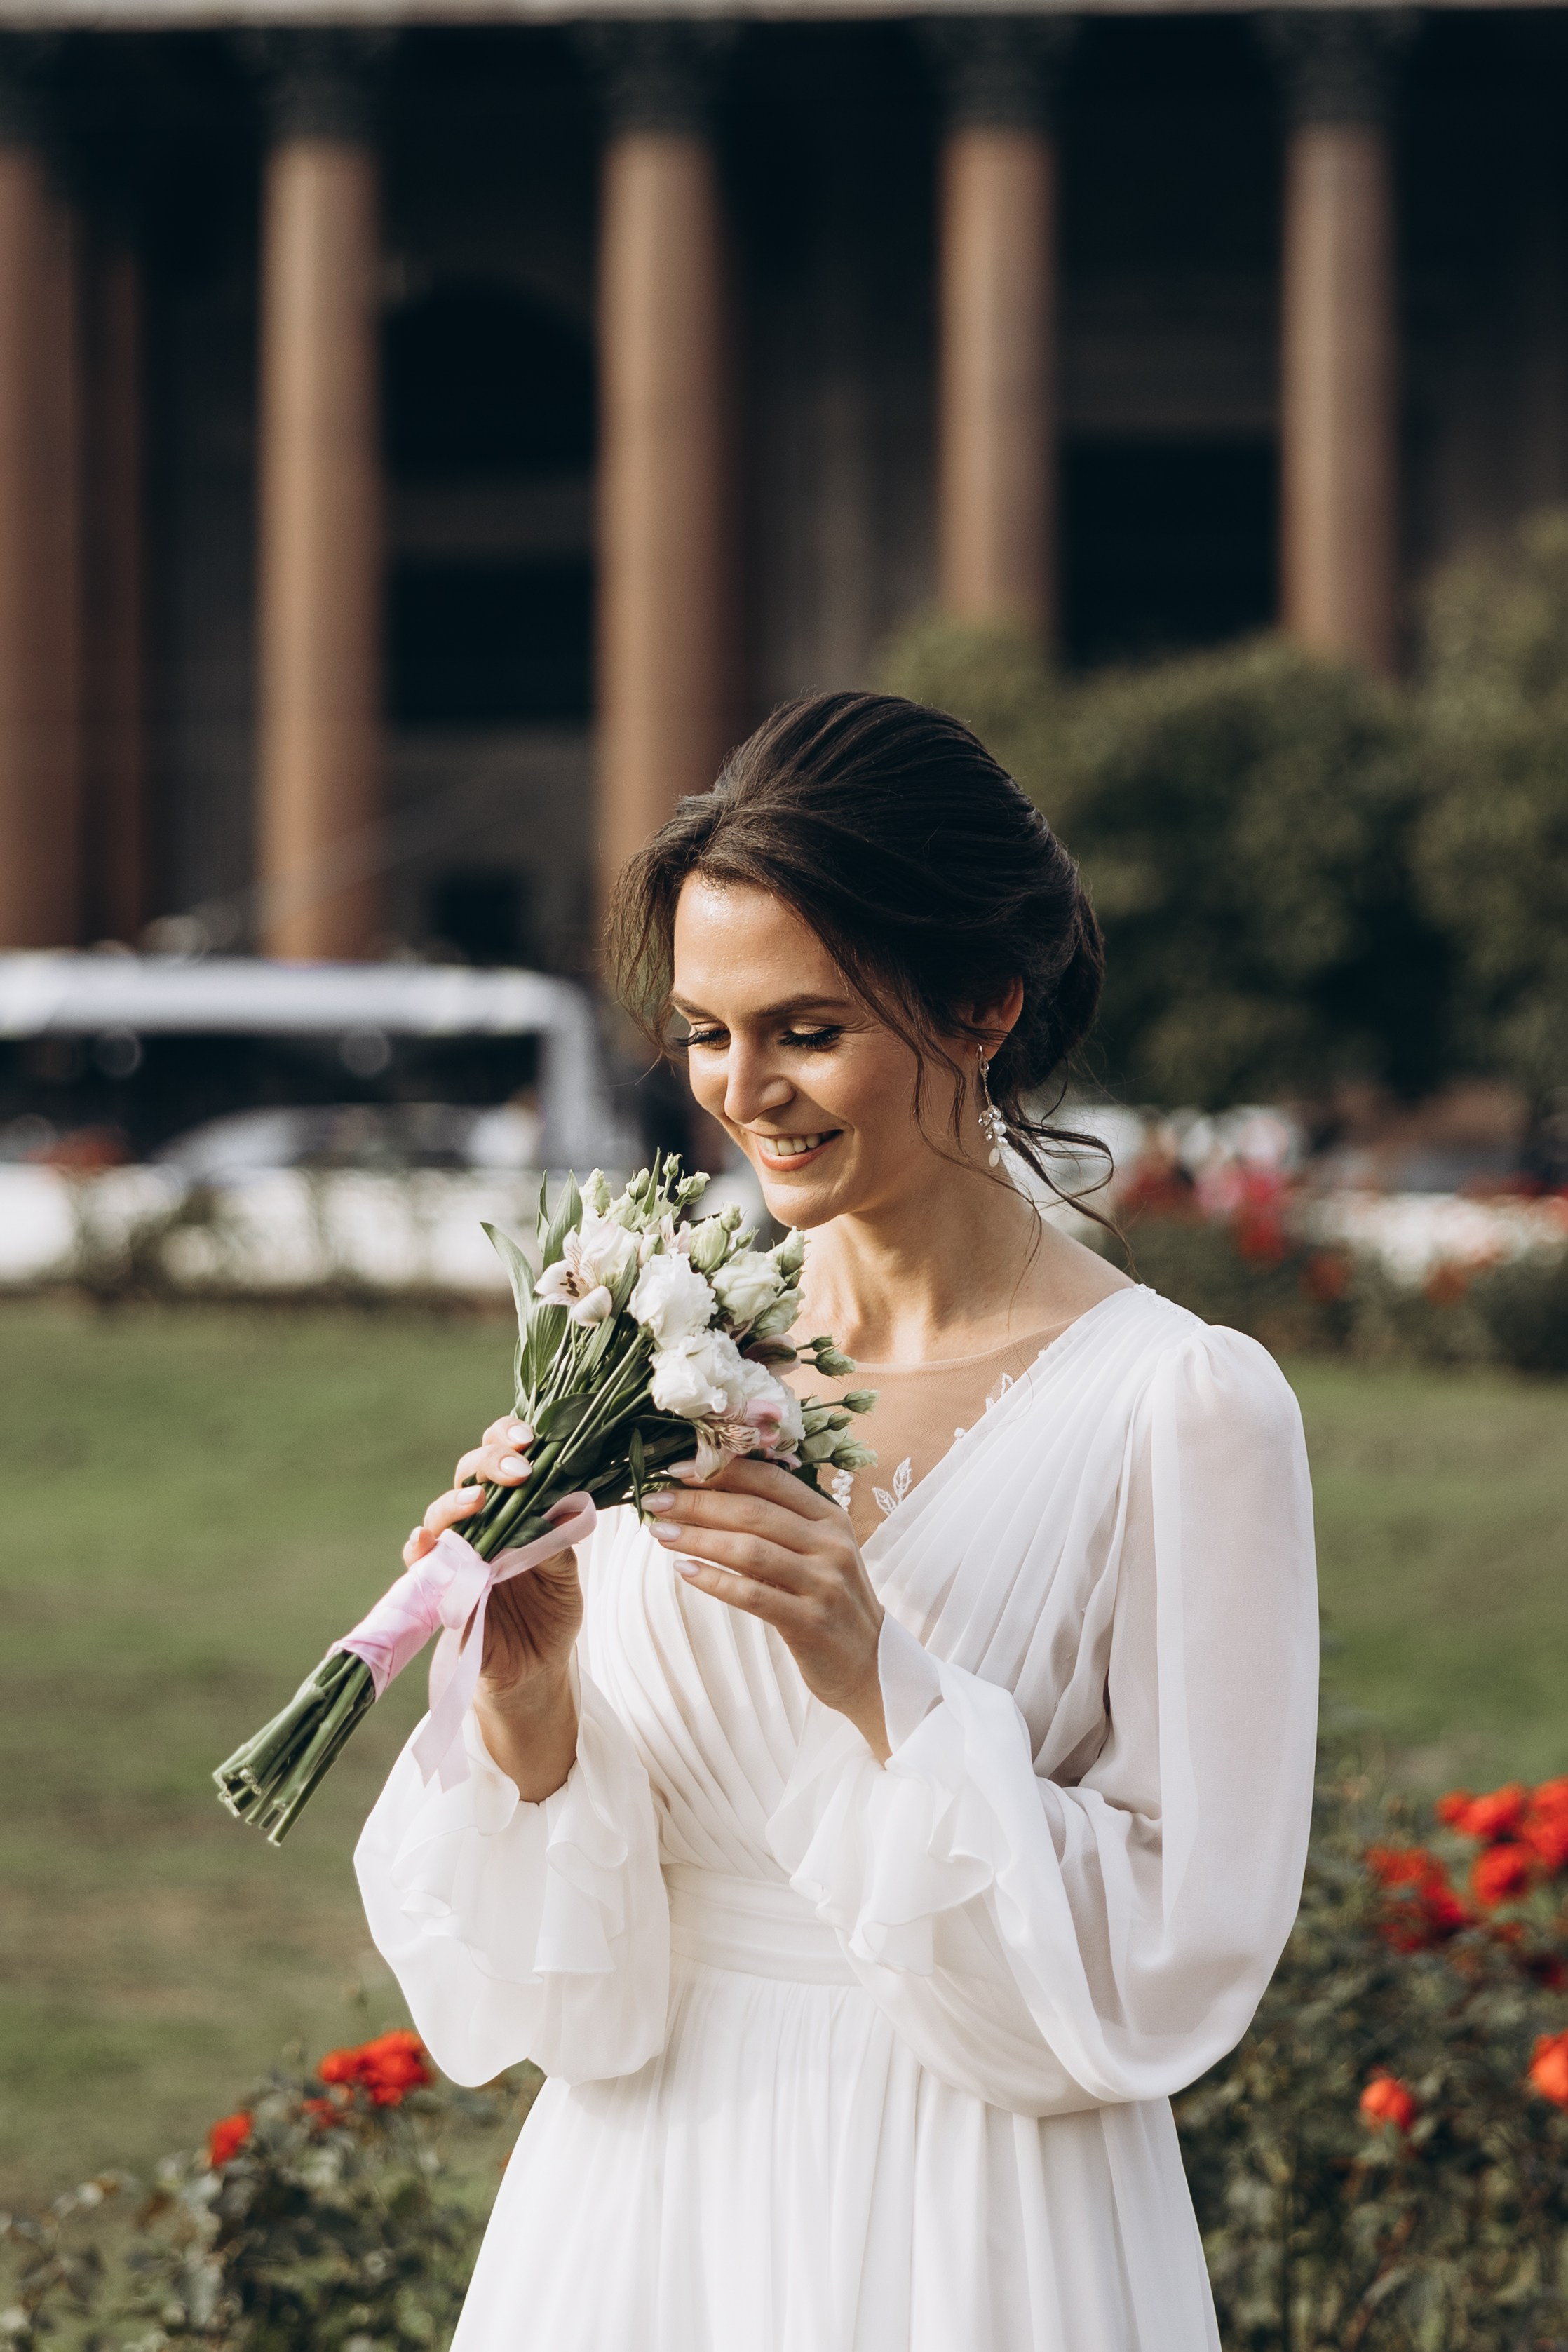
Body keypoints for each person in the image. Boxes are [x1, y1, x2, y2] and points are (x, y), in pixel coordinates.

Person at [356, 691, 1318, 2352]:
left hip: (975, 2217)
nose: (743, 1091)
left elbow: (1184, 1945)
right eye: (704, 1032)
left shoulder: (1183, 1406)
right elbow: (562, 1983)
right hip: (642, 2213)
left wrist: (882, 1682)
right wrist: (527, 1702)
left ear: (980, 1004)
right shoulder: (649, 1359)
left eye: (804, 1030)